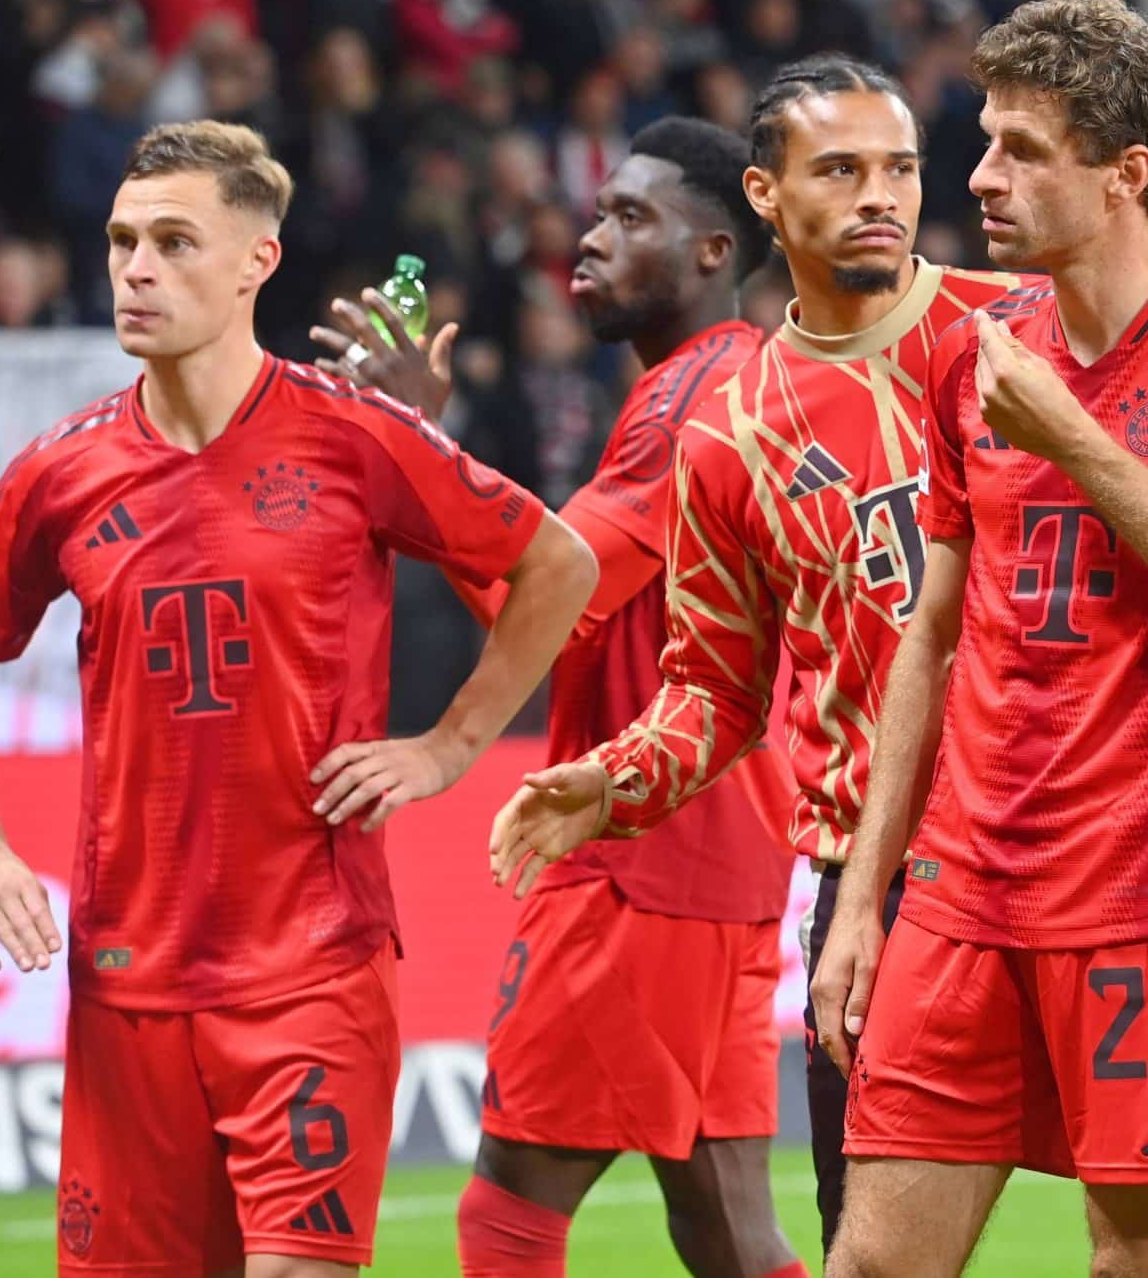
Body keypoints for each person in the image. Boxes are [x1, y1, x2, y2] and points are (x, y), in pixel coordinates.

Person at [0, 120, 595, 1278]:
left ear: (254, 264)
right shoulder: (56, 474)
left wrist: (448, 744)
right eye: (124, 240)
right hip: (127, 978)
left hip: (312, 970)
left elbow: (557, 562)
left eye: (175, 242)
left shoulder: (353, 435)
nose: (136, 267)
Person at [810, 0, 1148, 1278]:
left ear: (1125, 175)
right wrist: (860, 893)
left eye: (1021, 149)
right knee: (872, 1263)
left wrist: (1077, 442)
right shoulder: (975, 357)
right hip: (960, 895)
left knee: (1140, 1268)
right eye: (985, 140)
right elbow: (928, 637)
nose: (981, 176)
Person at [484, 54, 1029, 1256]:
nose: (879, 193)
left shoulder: (1015, 330)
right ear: (766, 196)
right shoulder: (729, 430)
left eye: (898, 168)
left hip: (1069, 838)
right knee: (864, 1247)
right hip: (868, 882)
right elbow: (719, 687)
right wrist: (614, 776)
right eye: (840, 169)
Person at [311, 118, 807, 1278]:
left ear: (713, 250)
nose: (589, 238)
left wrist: (408, 444)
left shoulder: (694, 392)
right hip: (724, 840)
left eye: (632, 217)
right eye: (595, 211)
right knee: (726, 1221)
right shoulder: (734, 380)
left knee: (509, 1213)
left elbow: (553, 597)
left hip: (629, 844)